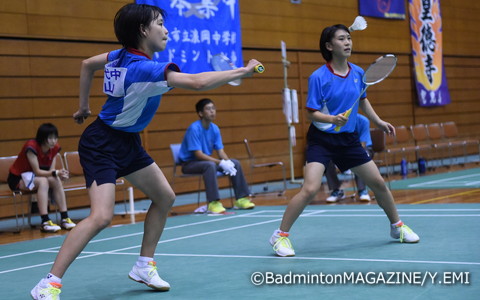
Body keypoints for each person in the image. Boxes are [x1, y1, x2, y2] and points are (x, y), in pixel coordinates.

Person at [30, 3, 263, 299]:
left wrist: (84, 106)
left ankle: (144, 264)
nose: (166, 30)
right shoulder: (144, 68)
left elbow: (87, 64)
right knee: (101, 217)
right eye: (160, 24)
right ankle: (49, 283)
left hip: (127, 141)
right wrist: (242, 70)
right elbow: (197, 82)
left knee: (165, 197)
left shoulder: (120, 56)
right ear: (143, 30)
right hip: (102, 143)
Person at [269, 24, 419, 257]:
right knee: (309, 188)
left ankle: (397, 227)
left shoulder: (359, 73)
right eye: (341, 39)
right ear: (329, 46)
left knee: (378, 183)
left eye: (349, 38)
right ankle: (280, 236)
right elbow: (310, 112)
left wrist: (378, 122)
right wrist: (331, 118)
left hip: (348, 140)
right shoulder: (318, 77)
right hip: (322, 140)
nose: (348, 42)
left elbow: (362, 100)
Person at [178, 98, 255, 214]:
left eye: (213, 108)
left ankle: (241, 199)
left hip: (205, 163)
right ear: (200, 113)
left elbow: (220, 152)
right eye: (208, 109)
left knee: (235, 163)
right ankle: (213, 203)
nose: (212, 111)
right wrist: (220, 163)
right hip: (189, 164)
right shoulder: (194, 129)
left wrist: (228, 162)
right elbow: (198, 154)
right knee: (210, 166)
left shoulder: (214, 128)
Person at [8, 123, 76, 233]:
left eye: (55, 137)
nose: (54, 141)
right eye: (50, 138)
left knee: (55, 180)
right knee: (43, 182)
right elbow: (37, 171)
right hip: (18, 178)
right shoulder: (31, 147)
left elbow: (51, 172)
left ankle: (64, 218)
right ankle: (45, 221)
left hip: (37, 178)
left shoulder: (54, 148)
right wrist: (56, 172)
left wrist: (59, 175)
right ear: (42, 138)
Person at [325, 114, 373, 202]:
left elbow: (363, 144)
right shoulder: (337, 120)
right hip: (342, 149)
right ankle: (336, 191)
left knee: (360, 157)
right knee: (327, 159)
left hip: (363, 148)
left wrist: (350, 158)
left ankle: (362, 190)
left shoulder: (363, 121)